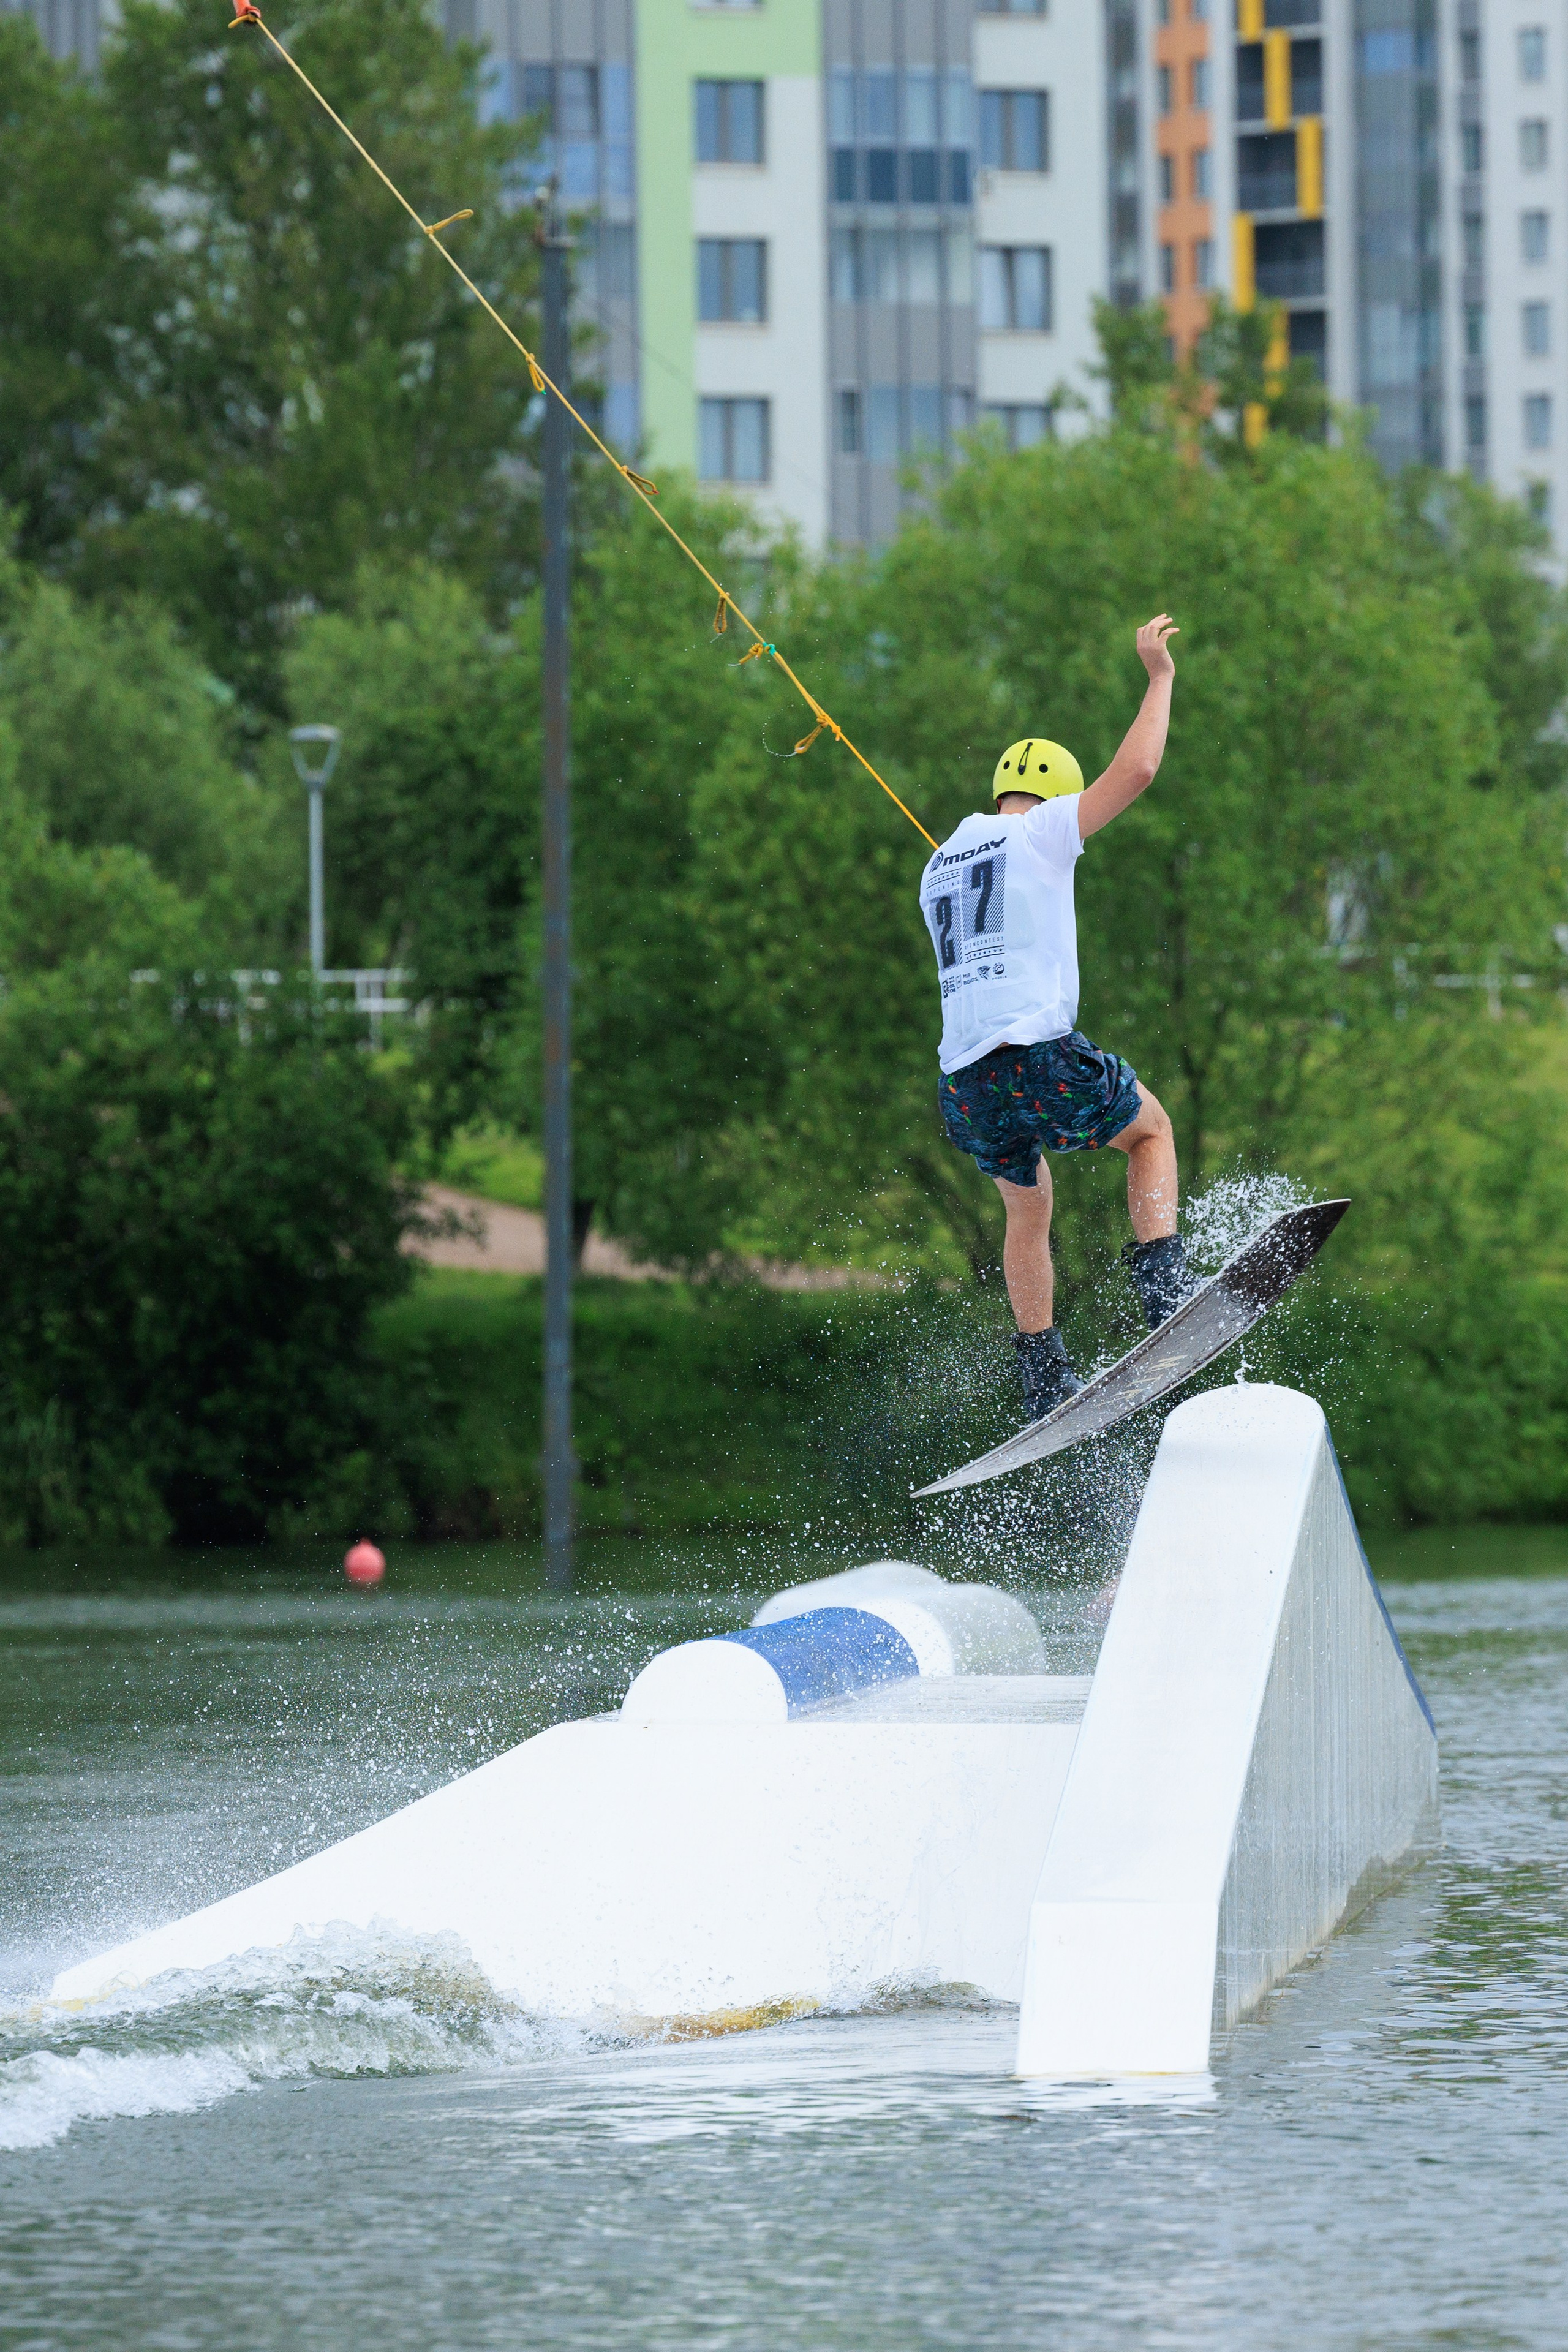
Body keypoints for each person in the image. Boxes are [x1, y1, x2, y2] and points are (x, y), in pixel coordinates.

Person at [919, 614, 1190, 1424]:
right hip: (1034, 1056)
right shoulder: (1042, 831)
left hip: (964, 1085)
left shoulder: (937, 862)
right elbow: (1138, 770)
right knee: (1150, 1133)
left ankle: (1043, 1374)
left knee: (1027, 1210)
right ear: (1056, 799)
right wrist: (1158, 677)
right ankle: (1166, 1290)